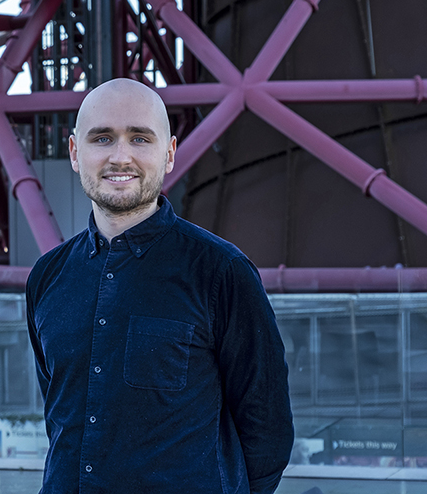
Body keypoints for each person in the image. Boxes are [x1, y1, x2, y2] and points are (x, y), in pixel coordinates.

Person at [25, 78, 293, 493]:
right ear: (75, 153)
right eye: (102, 138)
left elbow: (268, 429)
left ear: (168, 155)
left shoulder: (221, 272)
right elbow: (59, 413)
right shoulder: (47, 277)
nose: (120, 156)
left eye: (139, 138)